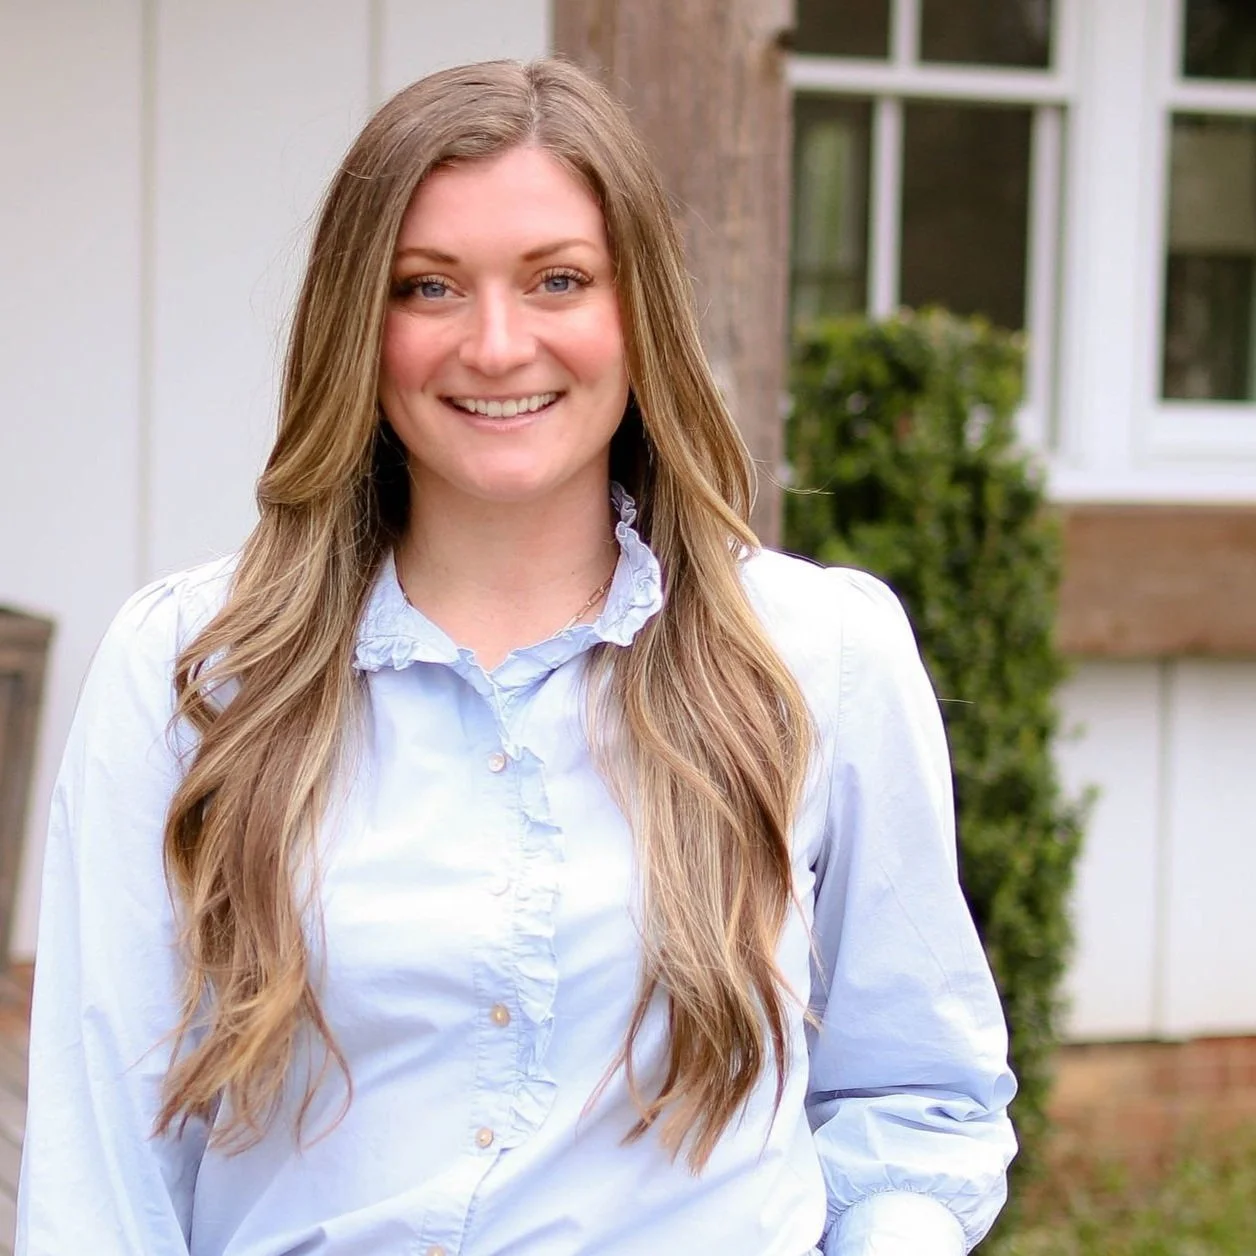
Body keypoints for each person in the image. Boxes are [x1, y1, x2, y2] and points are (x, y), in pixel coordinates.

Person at [16, 57, 1016, 1256]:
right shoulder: (192, 667)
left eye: (557, 279)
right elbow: (103, 1167)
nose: (497, 345)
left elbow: (917, 1094)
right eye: (429, 286)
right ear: (357, 324)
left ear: (635, 311)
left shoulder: (817, 653)